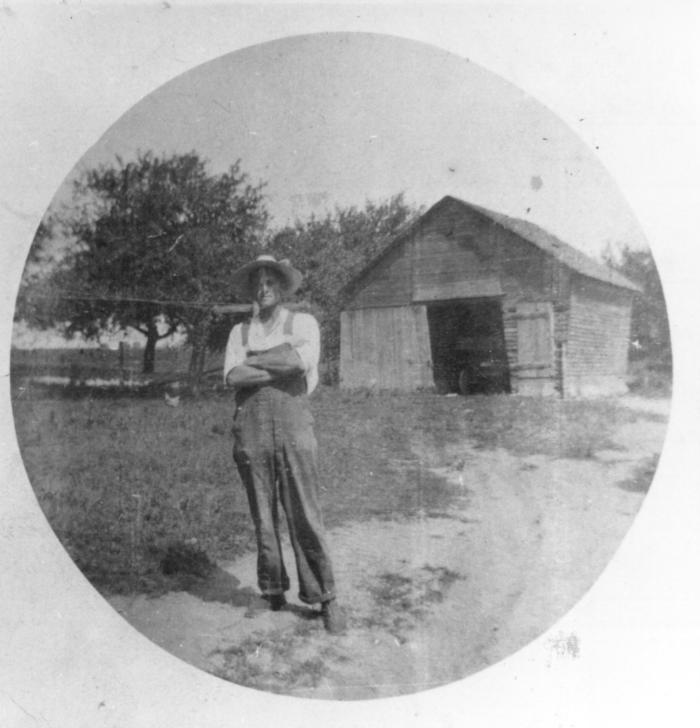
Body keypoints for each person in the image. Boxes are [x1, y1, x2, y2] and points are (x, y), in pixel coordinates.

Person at [223, 254, 346, 634]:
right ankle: (272, 590)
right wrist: (276, 361)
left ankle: (325, 597)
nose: (263, 288)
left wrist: (256, 362)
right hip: (252, 426)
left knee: (304, 510)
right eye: (257, 283)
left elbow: (298, 363)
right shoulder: (239, 332)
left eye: (270, 281)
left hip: (293, 423)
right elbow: (232, 376)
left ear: (282, 285)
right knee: (263, 512)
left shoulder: (303, 323)